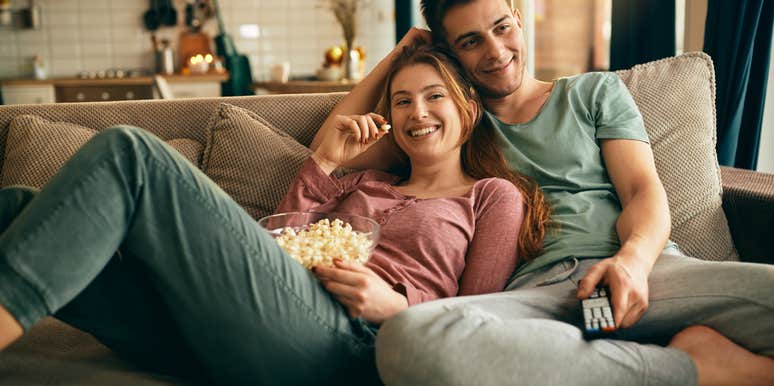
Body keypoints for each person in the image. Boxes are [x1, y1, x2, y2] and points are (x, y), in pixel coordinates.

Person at [0, 45, 549, 385]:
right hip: (246, 328)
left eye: (435, 97)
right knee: (17, 205)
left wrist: (397, 306)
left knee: (132, 153)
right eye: (402, 101)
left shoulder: (492, 196)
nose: (417, 113)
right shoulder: (362, 182)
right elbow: (278, 242)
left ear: (469, 108)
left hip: (348, 347)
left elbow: (485, 320)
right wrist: (327, 160)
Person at [310, 1, 774, 385]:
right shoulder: (451, 122)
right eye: (471, 42)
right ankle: (691, 367)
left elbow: (642, 191)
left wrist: (631, 262)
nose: (495, 51)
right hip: (532, 297)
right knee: (408, 339)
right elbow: (333, 148)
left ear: (517, 13)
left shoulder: (594, 92)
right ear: (450, 53)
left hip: (644, 272)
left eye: (501, 27)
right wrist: (401, 58)